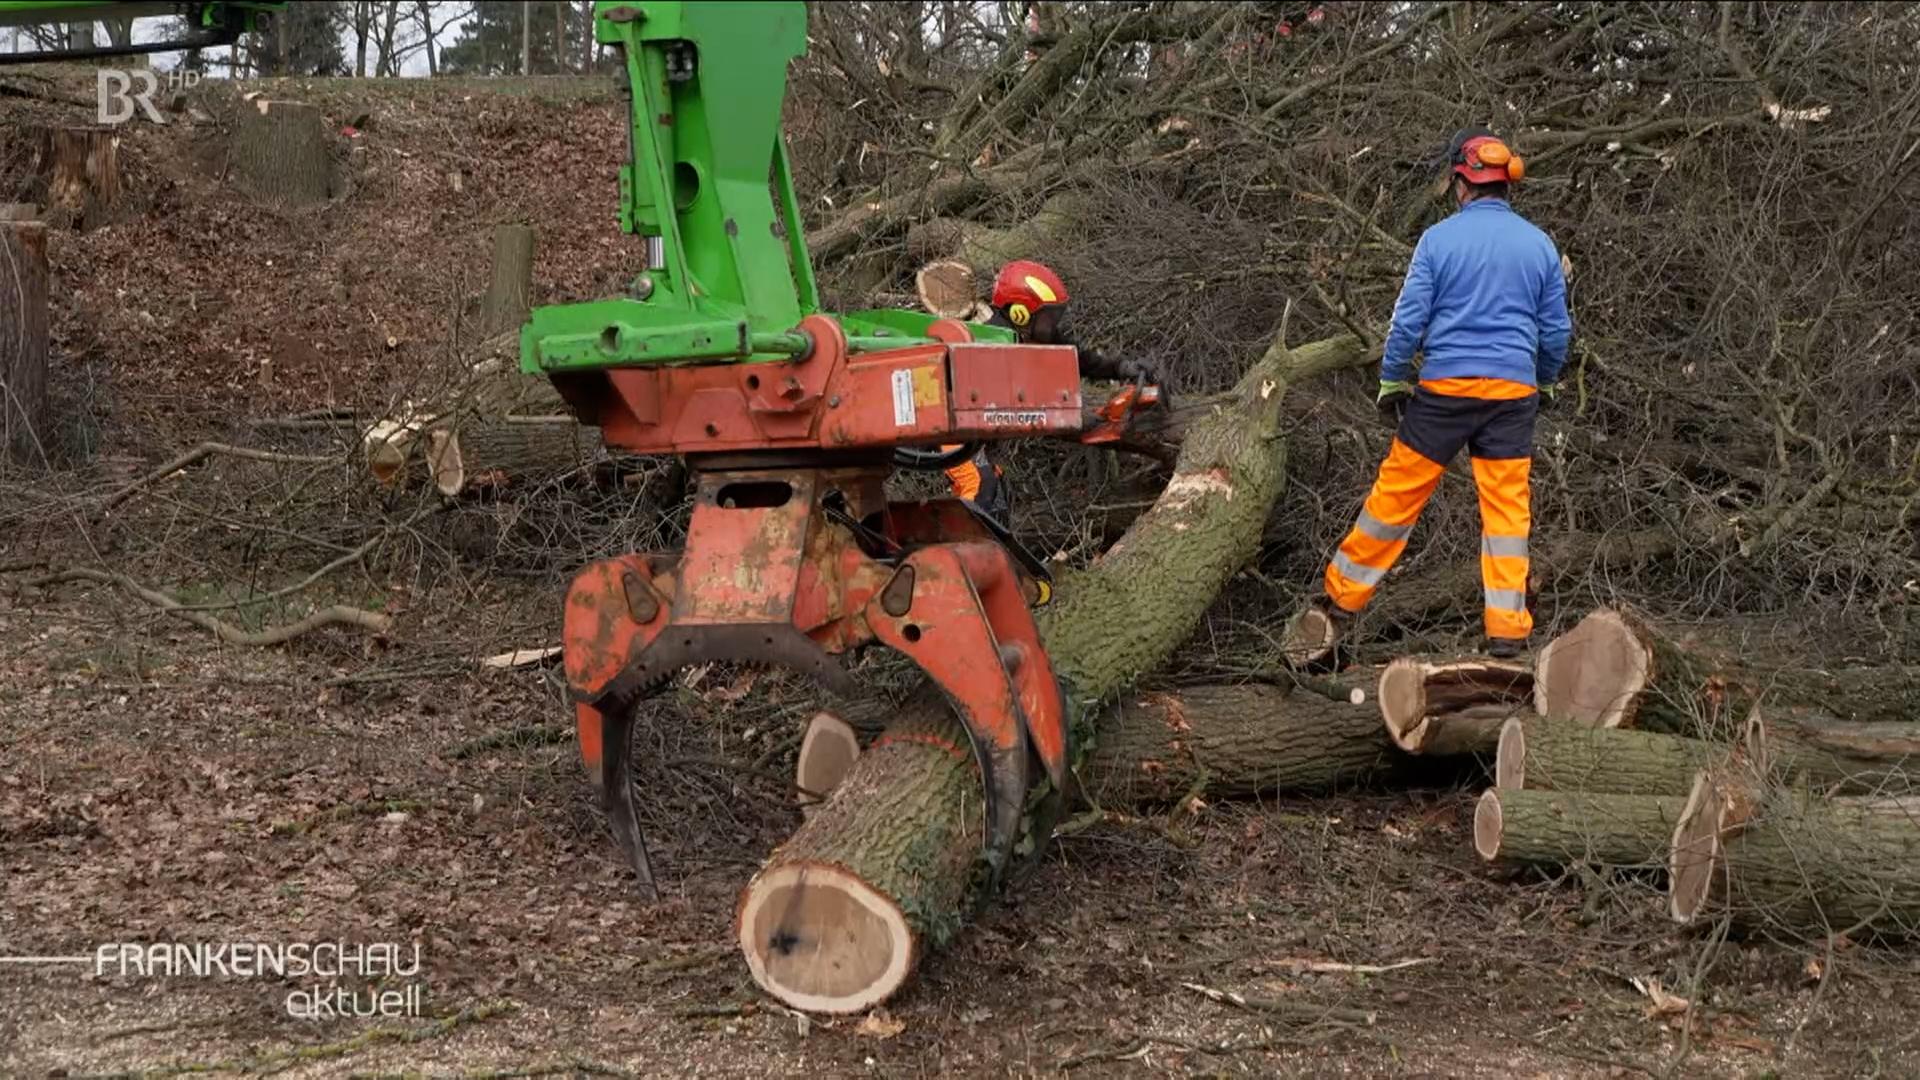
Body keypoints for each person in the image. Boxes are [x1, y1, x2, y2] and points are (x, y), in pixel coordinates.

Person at [1299, 127, 1572, 661]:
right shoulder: (1540, 245)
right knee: (1507, 514)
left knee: (1396, 497)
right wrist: (1543, 381)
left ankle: (1338, 602)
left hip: (1445, 391)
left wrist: (1394, 380)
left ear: (1460, 183)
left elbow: (1407, 323)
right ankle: (1507, 631)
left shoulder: (1438, 240)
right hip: (1512, 396)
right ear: (1507, 183)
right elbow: (1557, 332)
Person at [942, 260, 1159, 520]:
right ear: (1020, 313)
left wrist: (1122, 367)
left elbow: (1079, 358)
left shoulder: (1034, 335)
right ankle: (963, 543)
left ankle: (975, 541)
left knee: (997, 494)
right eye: (1047, 318)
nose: (1051, 326)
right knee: (979, 485)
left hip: (976, 434)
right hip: (947, 427)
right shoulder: (992, 338)